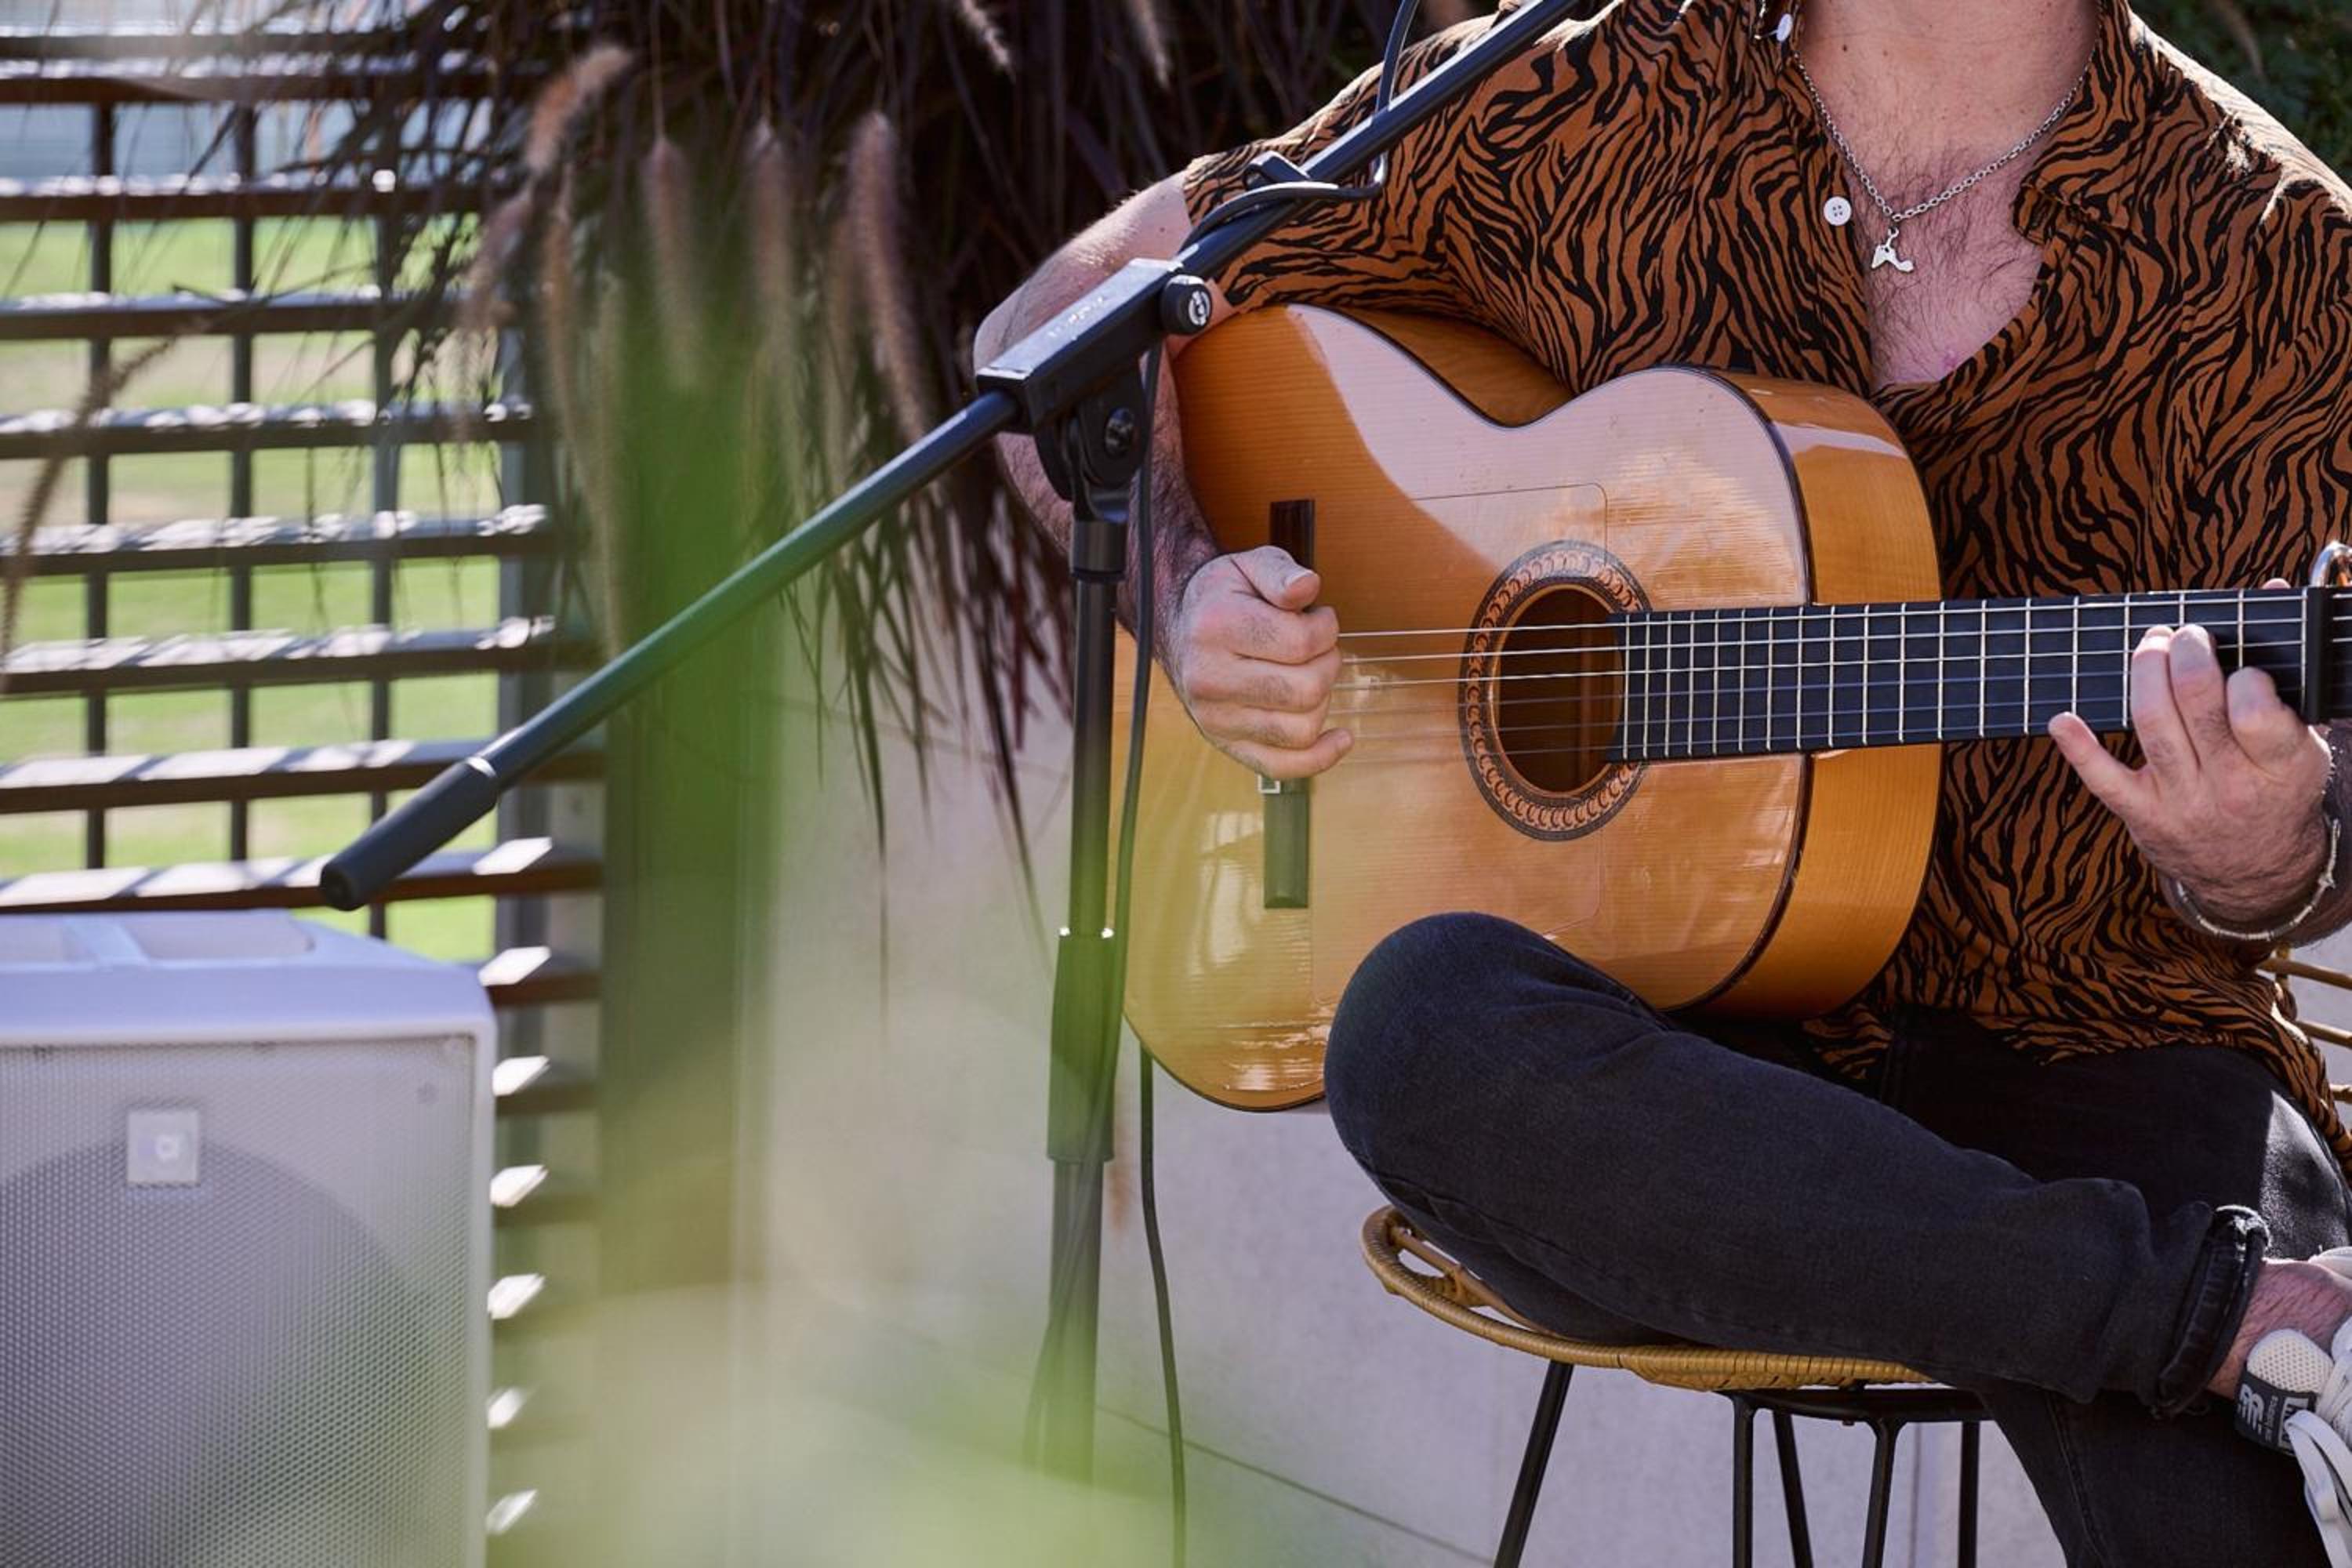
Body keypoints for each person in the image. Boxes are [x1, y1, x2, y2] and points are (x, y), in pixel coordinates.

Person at [974, 1, 2352, 1558]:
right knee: (1419, 1030)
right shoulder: (1577, 95)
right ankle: (2211, 1319)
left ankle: (2199, 1317)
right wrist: (1184, 595)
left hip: (2100, 1034)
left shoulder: (2285, 260)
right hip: (1682, 1092)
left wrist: (2270, 850)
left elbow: (2332, 821)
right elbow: (1060, 322)